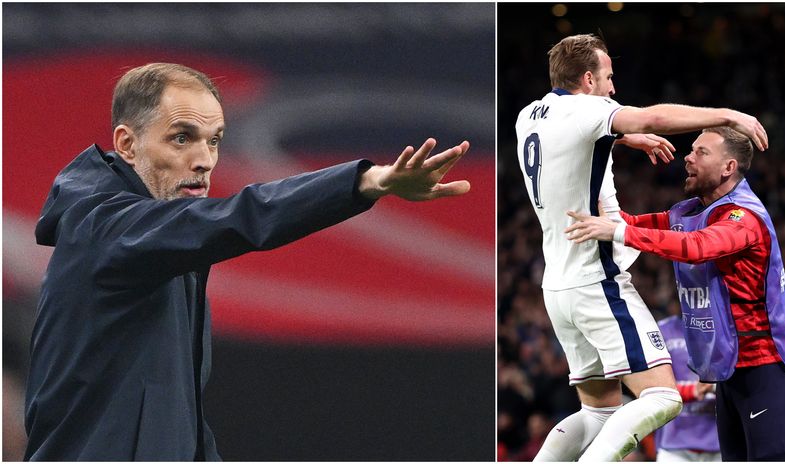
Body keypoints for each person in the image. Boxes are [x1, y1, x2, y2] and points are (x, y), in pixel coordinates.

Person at [24, 63, 471, 461]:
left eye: (214, 141)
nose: (203, 160)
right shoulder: (103, 228)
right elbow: (244, 216)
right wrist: (363, 182)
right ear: (127, 143)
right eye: (182, 138)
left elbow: (181, 421)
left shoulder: (163, 239)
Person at [514, 34, 769, 461]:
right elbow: (651, 117)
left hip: (557, 285)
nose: (613, 88)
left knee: (598, 413)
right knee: (663, 398)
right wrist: (728, 114)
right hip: (598, 280)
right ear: (589, 78)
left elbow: (566, 145)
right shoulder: (589, 109)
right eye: (609, 77)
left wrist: (619, 140)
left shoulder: (529, 116)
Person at [565, 126, 785, 460]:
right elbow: (628, 223)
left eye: (701, 152)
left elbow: (696, 247)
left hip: (767, 366)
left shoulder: (743, 216)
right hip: (729, 369)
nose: (688, 158)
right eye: (691, 150)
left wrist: (618, 230)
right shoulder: (689, 212)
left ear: (728, 168)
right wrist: (602, 151)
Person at [655, 314, 721, 462]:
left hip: (720, 443)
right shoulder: (661, 330)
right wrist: (693, 390)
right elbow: (652, 388)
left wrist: (716, 388)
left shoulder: (725, 327)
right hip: (675, 447)